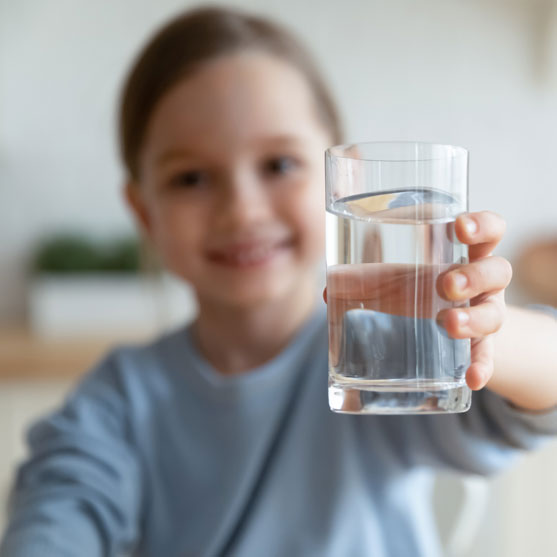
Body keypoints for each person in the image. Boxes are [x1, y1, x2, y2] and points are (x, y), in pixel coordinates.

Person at [2, 6, 557, 557]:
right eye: (190, 178)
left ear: (339, 176)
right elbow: (60, 504)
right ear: (144, 213)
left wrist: (485, 331)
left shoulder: (383, 353)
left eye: (278, 165)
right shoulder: (119, 401)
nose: (241, 211)